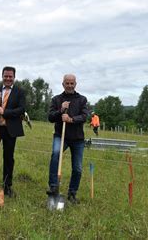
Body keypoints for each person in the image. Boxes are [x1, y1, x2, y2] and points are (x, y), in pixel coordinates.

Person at [46, 74, 88, 204]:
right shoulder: (57, 99)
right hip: (60, 136)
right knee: (56, 155)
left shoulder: (82, 99)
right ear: (63, 84)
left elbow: (84, 116)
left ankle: (72, 193)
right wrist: (61, 110)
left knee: (77, 168)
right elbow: (51, 117)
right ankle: (53, 187)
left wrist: (71, 119)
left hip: (77, 139)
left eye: (72, 83)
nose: (69, 85)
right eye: (67, 83)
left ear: (75, 84)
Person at [0, 66, 26, 197]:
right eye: (5, 76)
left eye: (10, 76)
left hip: (10, 128)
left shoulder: (20, 92)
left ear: (14, 77)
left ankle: (7, 185)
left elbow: (21, 109)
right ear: (2, 76)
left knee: (8, 156)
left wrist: (5, 112)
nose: (8, 78)